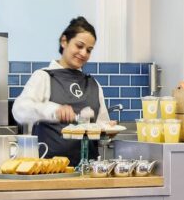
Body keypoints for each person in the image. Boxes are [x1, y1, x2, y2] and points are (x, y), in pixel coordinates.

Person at [12, 16, 111, 166]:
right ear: (64, 41)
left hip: (89, 172)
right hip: (49, 172)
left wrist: (107, 131)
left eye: (89, 50)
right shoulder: (44, 76)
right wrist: (54, 110)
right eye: (79, 46)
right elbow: (19, 110)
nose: (84, 53)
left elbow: (101, 126)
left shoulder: (93, 84)